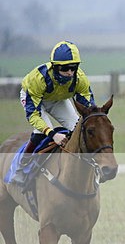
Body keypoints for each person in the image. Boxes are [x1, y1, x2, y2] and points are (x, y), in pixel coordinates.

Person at [10, 41, 95, 186]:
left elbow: (88, 108)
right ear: (55, 67)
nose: (70, 72)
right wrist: (52, 134)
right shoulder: (38, 79)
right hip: (36, 100)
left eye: (73, 67)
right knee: (41, 132)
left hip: (58, 100)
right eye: (65, 68)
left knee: (79, 128)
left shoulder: (80, 79)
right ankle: (22, 166)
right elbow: (33, 115)